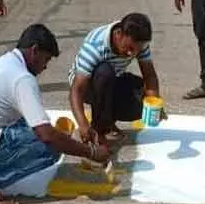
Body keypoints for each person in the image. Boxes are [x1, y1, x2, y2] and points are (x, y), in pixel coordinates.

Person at [0, 24, 111, 204]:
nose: (45, 67)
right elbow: (47, 136)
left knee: (33, 126)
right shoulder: (21, 78)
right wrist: (91, 152)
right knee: (50, 147)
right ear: (34, 51)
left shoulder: (5, 63)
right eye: (45, 59)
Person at [68, 13, 161, 145]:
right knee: (104, 72)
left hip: (113, 80)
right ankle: (98, 130)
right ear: (119, 34)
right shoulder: (95, 45)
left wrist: (155, 106)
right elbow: (76, 90)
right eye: (129, 48)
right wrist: (83, 124)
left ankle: (108, 122)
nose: (132, 54)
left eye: (136, 50)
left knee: (141, 98)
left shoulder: (139, 44)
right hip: (87, 86)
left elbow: (149, 75)